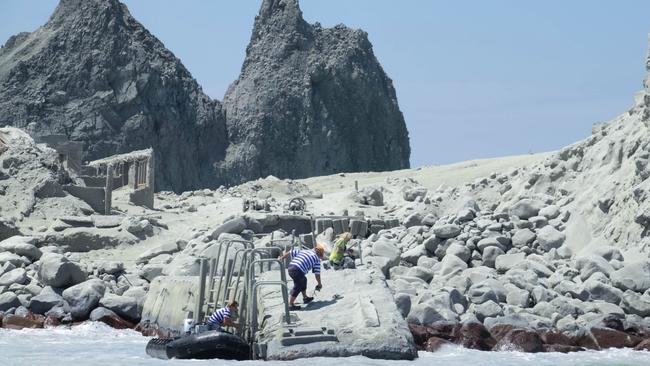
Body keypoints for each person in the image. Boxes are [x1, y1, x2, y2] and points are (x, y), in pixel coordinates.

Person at [278, 244, 325, 310]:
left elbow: (291, 252)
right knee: (298, 285)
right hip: (298, 270)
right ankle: (290, 304)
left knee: (304, 280)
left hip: (291, 267)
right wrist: (319, 284)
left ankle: (305, 298)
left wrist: (282, 258)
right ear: (320, 254)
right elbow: (317, 274)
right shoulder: (317, 259)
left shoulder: (305, 251)